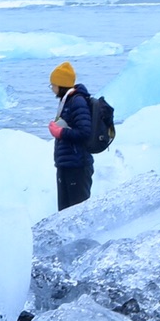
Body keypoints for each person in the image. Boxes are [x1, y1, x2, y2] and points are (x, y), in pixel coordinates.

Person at [47, 61, 95, 210]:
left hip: (77, 166)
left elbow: (84, 132)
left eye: (53, 85)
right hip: (66, 164)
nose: (52, 88)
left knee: (77, 211)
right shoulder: (67, 102)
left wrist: (60, 132)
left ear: (61, 85)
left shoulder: (77, 101)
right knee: (64, 212)